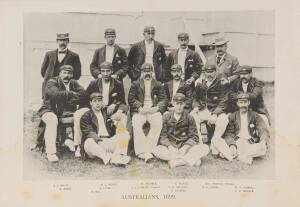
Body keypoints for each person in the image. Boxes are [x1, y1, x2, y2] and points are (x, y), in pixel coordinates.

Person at [73, 61, 127, 158]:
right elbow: (85, 98)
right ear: (100, 72)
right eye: (103, 71)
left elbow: (122, 102)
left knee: (122, 117)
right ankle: (78, 145)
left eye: (108, 71)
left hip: (109, 111)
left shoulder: (118, 84)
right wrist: (89, 109)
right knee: (78, 114)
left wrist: (116, 107)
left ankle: (120, 148)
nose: (105, 74)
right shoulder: (94, 83)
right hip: (94, 108)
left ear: (112, 71)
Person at [37, 65, 86, 162]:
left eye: (69, 73)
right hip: (49, 110)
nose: (66, 75)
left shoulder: (74, 83)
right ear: (59, 74)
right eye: (64, 73)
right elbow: (55, 95)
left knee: (81, 115)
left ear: (72, 75)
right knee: (52, 119)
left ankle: (76, 145)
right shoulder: (52, 82)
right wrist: (71, 94)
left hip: (65, 112)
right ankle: (50, 153)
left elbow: (83, 94)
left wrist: (67, 99)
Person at [153, 93, 209, 168]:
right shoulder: (166, 117)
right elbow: (163, 136)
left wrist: (185, 147)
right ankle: (188, 159)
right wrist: (170, 146)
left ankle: (178, 162)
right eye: (177, 104)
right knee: (156, 149)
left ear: (184, 104)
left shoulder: (189, 117)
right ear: (173, 103)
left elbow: (194, 137)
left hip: (185, 146)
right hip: (171, 146)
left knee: (205, 148)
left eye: (181, 104)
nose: (179, 106)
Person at [128, 63, 167, 162]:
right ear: (141, 72)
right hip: (140, 110)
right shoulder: (135, 84)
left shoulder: (158, 84)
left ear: (152, 72)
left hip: (153, 109)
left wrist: (157, 108)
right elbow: (131, 99)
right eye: (145, 71)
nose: (147, 73)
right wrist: (139, 107)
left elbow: (164, 100)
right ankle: (141, 152)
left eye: (149, 71)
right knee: (136, 122)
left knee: (158, 122)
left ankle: (149, 150)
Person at [190, 64, 231, 160]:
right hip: (203, 110)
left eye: (212, 72)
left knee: (224, 119)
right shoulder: (200, 84)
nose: (209, 74)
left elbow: (224, 101)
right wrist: (195, 107)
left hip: (216, 110)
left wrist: (215, 114)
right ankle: (199, 143)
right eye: (207, 72)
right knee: (192, 117)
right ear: (204, 73)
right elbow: (195, 98)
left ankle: (214, 143)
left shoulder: (221, 83)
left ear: (215, 72)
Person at [80, 92, 131, 165]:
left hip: (108, 141)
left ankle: (118, 156)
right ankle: (112, 157)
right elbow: (88, 132)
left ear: (102, 102)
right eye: (95, 101)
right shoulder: (86, 116)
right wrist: (98, 140)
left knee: (125, 134)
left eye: (99, 101)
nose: (97, 103)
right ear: (91, 103)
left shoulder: (106, 112)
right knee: (88, 142)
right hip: (96, 144)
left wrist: (117, 112)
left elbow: (124, 106)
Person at [222, 93, 270, 164]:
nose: (243, 105)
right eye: (241, 102)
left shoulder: (255, 115)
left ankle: (240, 155)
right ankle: (244, 155)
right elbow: (229, 133)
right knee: (233, 146)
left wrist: (263, 140)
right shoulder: (232, 116)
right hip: (238, 142)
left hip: (251, 142)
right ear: (237, 103)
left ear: (248, 103)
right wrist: (232, 145)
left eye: (245, 102)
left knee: (262, 148)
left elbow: (262, 129)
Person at [41, 33, 81, 98]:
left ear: (68, 41)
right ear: (57, 41)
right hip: (49, 88)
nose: (62, 42)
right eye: (60, 40)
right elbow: (43, 71)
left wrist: (67, 82)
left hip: (66, 88)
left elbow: (77, 74)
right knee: (48, 106)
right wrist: (51, 81)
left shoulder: (74, 56)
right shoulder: (49, 54)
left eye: (65, 40)